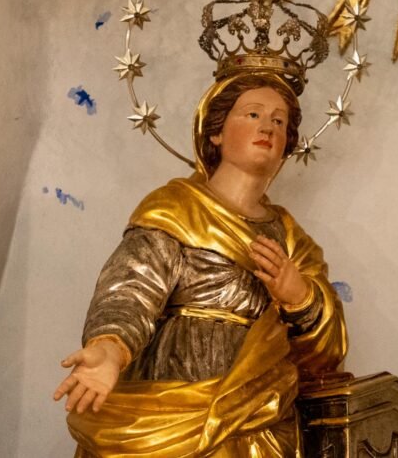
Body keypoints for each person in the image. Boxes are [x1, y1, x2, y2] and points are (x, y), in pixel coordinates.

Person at [53, 70, 347, 457]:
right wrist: (110, 348)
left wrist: (301, 298)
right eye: (253, 114)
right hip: (169, 405)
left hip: (260, 416)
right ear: (216, 132)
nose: (268, 127)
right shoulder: (175, 208)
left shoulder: (292, 239)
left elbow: (326, 355)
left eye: (279, 121)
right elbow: (131, 290)